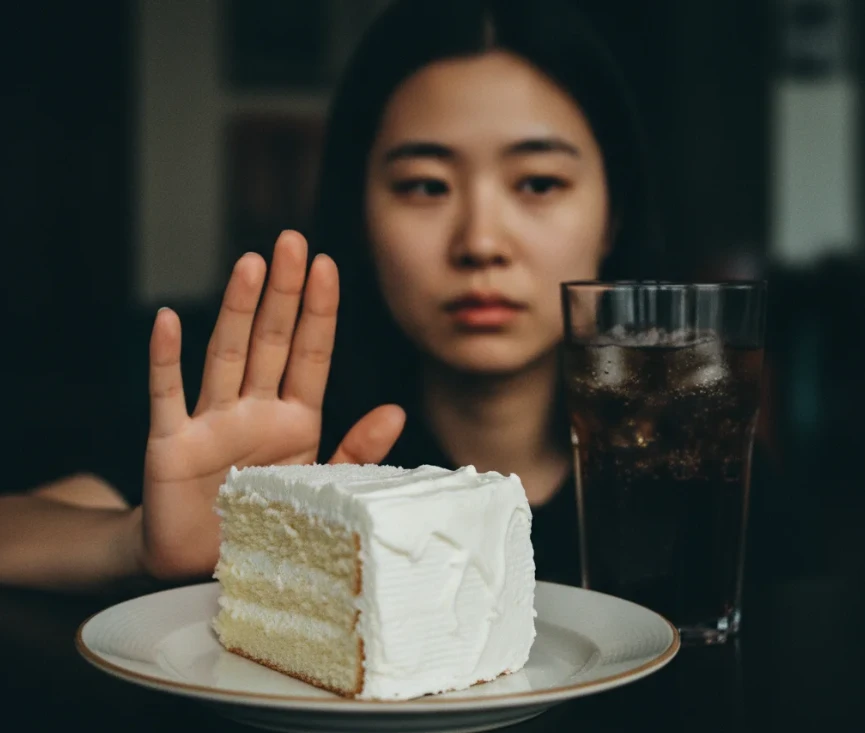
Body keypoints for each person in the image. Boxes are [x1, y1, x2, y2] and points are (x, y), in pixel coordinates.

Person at [0, 0, 662, 592]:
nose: (480, 241)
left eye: (539, 183)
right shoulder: (262, 430)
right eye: (426, 185)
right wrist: (131, 541)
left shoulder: (691, 459)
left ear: (613, 215)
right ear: (361, 213)